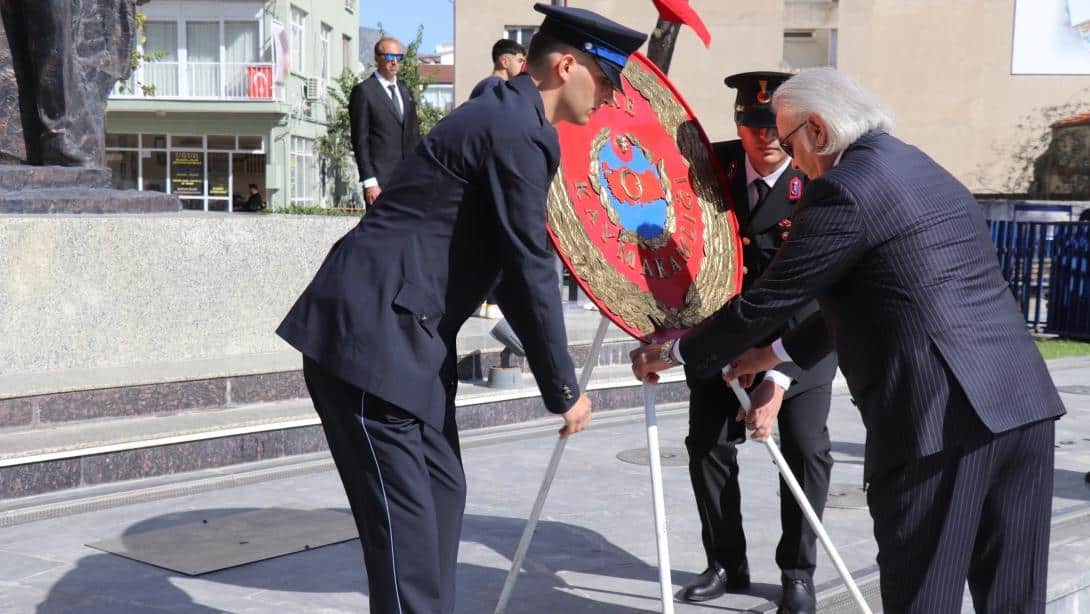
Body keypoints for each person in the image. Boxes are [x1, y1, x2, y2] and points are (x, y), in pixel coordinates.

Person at [631, 67, 1065, 613]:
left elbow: (771, 298)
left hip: (939, 420)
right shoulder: (917, 165)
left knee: (923, 595)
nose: (794, 161)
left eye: (791, 143)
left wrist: (674, 351)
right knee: (1014, 600)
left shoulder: (843, 188)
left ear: (817, 129)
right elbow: (876, 292)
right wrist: (773, 353)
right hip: (1023, 405)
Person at [277, 5, 646, 613]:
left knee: (443, 497)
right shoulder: (514, 128)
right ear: (566, 66)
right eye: (605, 80)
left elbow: (520, 261)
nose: (609, 97)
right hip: (372, 343)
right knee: (408, 543)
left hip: (411, 340)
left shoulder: (515, 118)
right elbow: (529, 265)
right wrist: (563, 388)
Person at [677, 72, 836, 614]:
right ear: (737, 125)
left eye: (773, 127)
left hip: (800, 340)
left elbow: (822, 290)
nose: (764, 138)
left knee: (807, 452)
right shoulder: (708, 168)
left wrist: (776, 375)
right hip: (722, 337)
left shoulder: (819, 179)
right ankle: (725, 562)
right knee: (707, 447)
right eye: (752, 125)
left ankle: (798, 573)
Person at [469, 39, 527, 320]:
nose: (522, 66)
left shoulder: (490, 87)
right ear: (505, 61)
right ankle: (490, 301)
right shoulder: (493, 87)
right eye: (520, 60)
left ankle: (486, 300)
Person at [350, 36, 422, 208]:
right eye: (389, 56)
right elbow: (360, 140)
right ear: (377, 58)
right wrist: (369, 181)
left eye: (399, 57)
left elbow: (414, 135)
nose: (394, 62)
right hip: (379, 182)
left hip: (408, 179)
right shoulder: (364, 92)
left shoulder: (406, 91)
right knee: (380, 225)